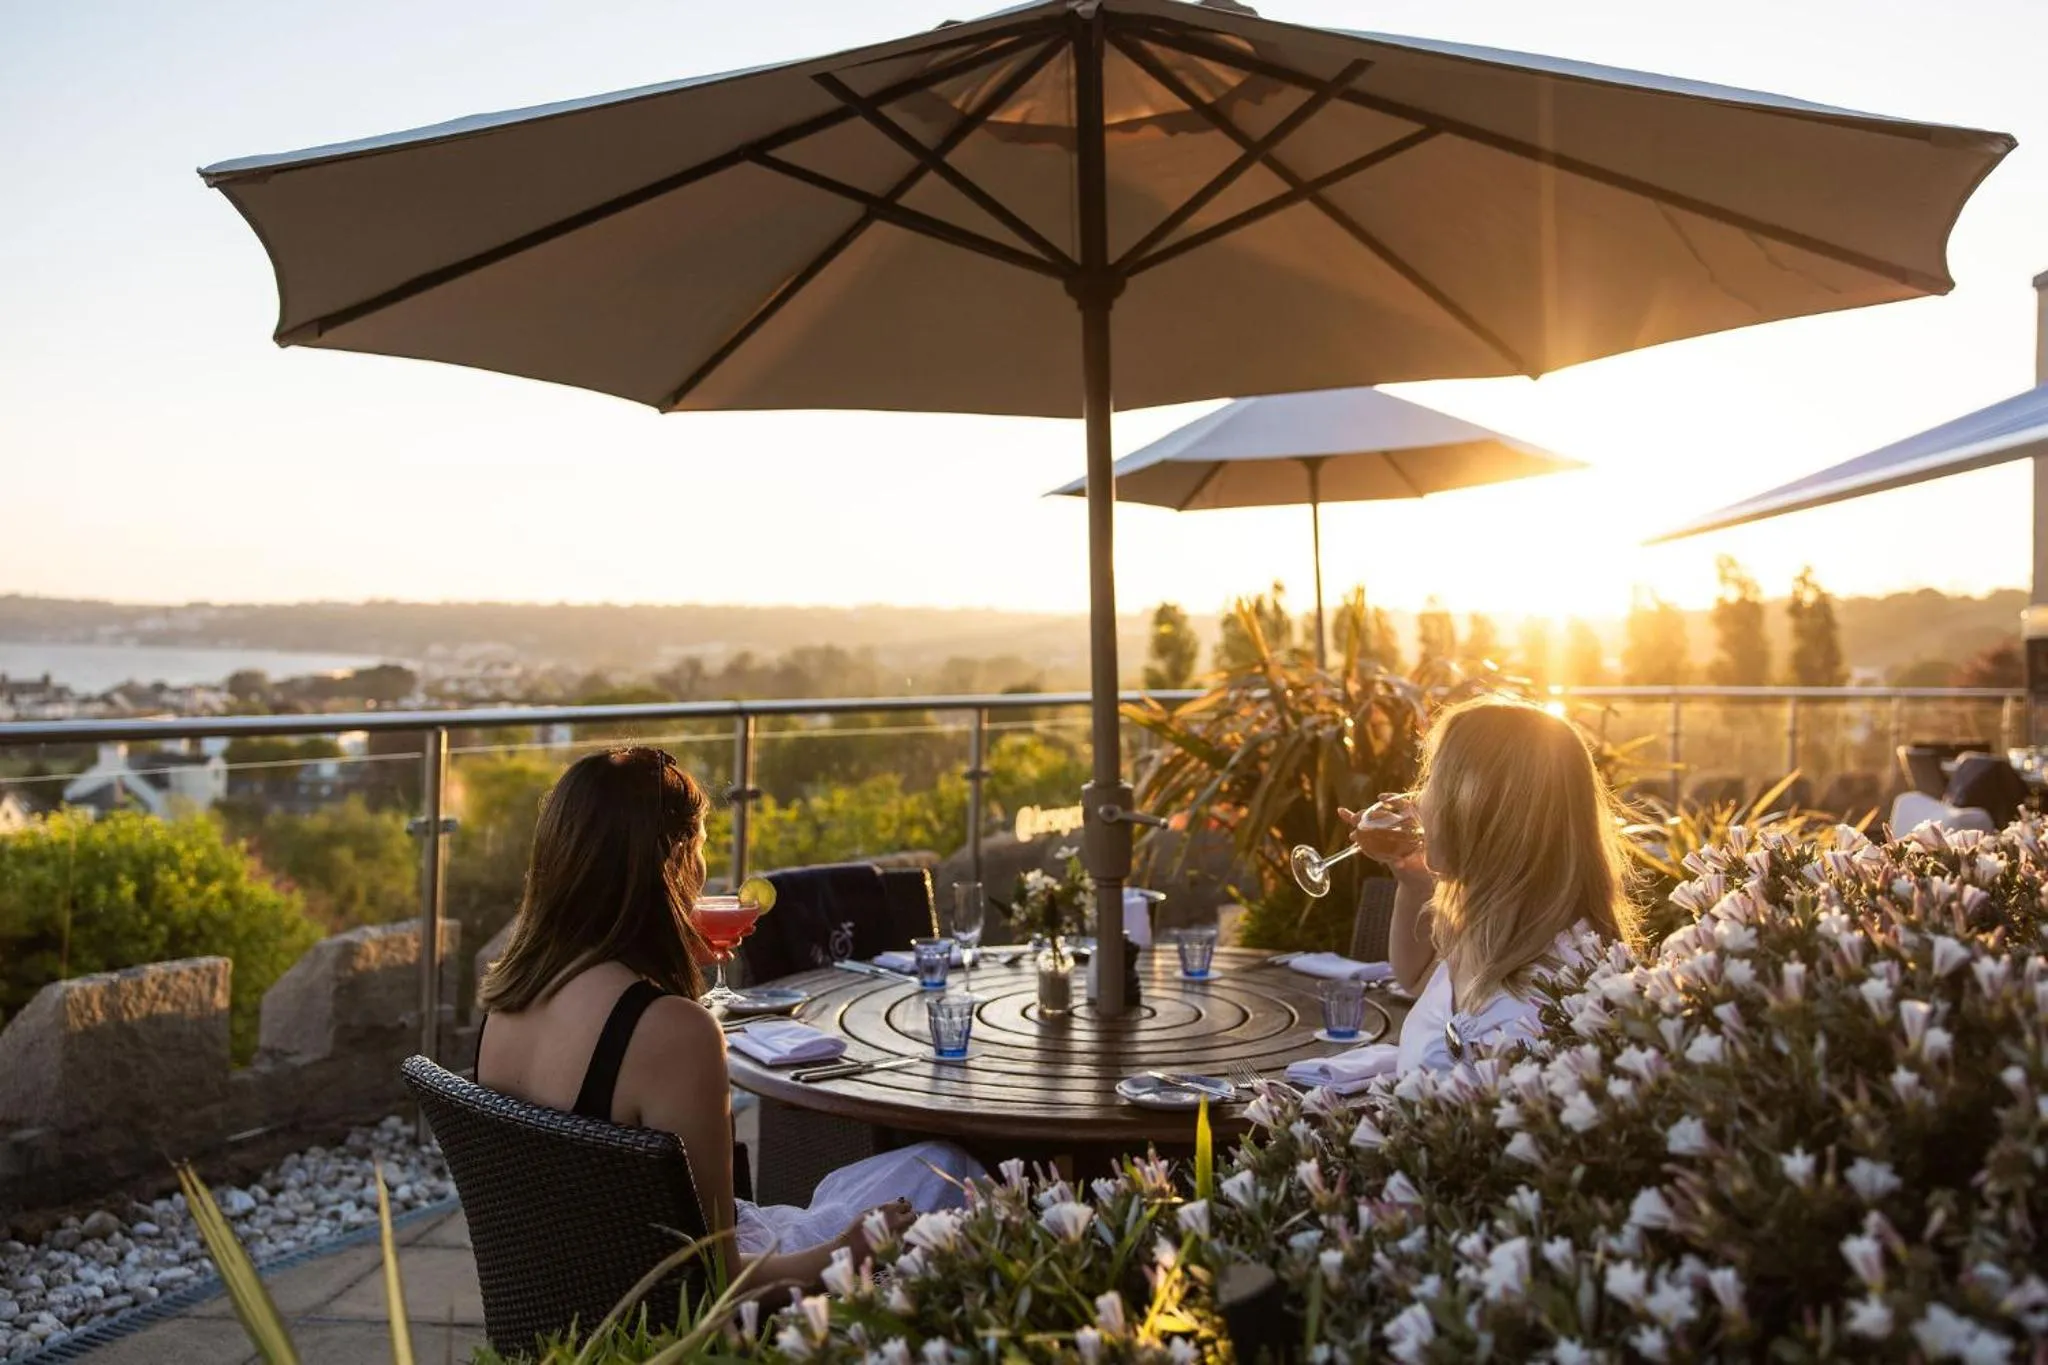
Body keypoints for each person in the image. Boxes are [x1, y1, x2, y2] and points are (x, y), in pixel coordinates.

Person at [475, 747, 980, 1290]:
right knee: (957, 1180)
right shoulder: (673, 1032)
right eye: (702, 847)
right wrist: (852, 1247)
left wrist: (666, 944)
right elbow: (722, 1285)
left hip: (585, 1305)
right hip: (697, 1318)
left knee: (924, 1165)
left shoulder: (506, 1005)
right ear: (677, 860)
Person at [1342, 697, 1637, 1071]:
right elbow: (1415, 979)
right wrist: (1415, 882)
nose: (1417, 797)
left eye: (1432, 778)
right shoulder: (1504, 927)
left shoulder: (1544, 1000)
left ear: (1478, 805)